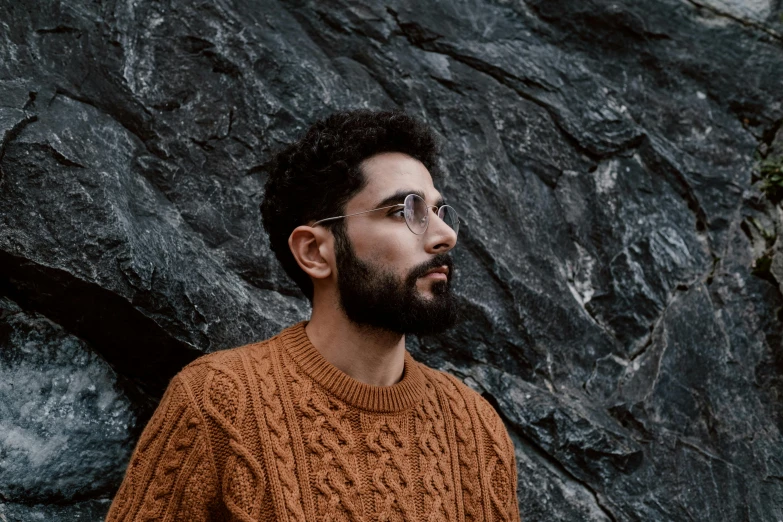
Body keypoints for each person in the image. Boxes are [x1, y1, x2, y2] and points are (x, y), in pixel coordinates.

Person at [106, 109, 522, 522]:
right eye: (403, 212)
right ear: (314, 251)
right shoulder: (217, 402)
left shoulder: (474, 426)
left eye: (438, 211)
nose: (445, 235)